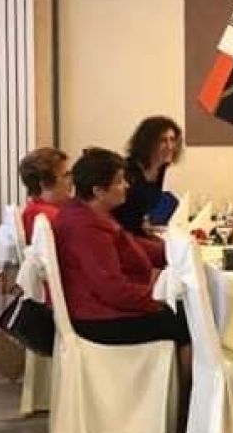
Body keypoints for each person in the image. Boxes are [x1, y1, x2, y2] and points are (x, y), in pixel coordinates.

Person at [53, 148, 190, 353]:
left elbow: (131, 244)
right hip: (99, 318)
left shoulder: (89, 213)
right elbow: (112, 289)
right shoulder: (86, 228)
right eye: (119, 181)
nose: (126, 185)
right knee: (188, 320)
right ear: (98, 191)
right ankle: (190, 375)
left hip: (100, 309)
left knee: (184, 307)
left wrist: (177, 251)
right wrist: (157, 298)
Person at [113, 116, 183, 237]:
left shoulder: (160, 168)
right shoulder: (129, 170)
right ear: (148, 143)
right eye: (163, 140)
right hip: (123, 235)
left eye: (172, 140)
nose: (170, 146)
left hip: (140, 233)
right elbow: (123, 215)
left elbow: (145, 212)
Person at [18, 147, 72, 241]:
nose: (71, 180)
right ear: (45, 184)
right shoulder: (51, 217)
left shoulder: (32, 210)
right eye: (65, 175)